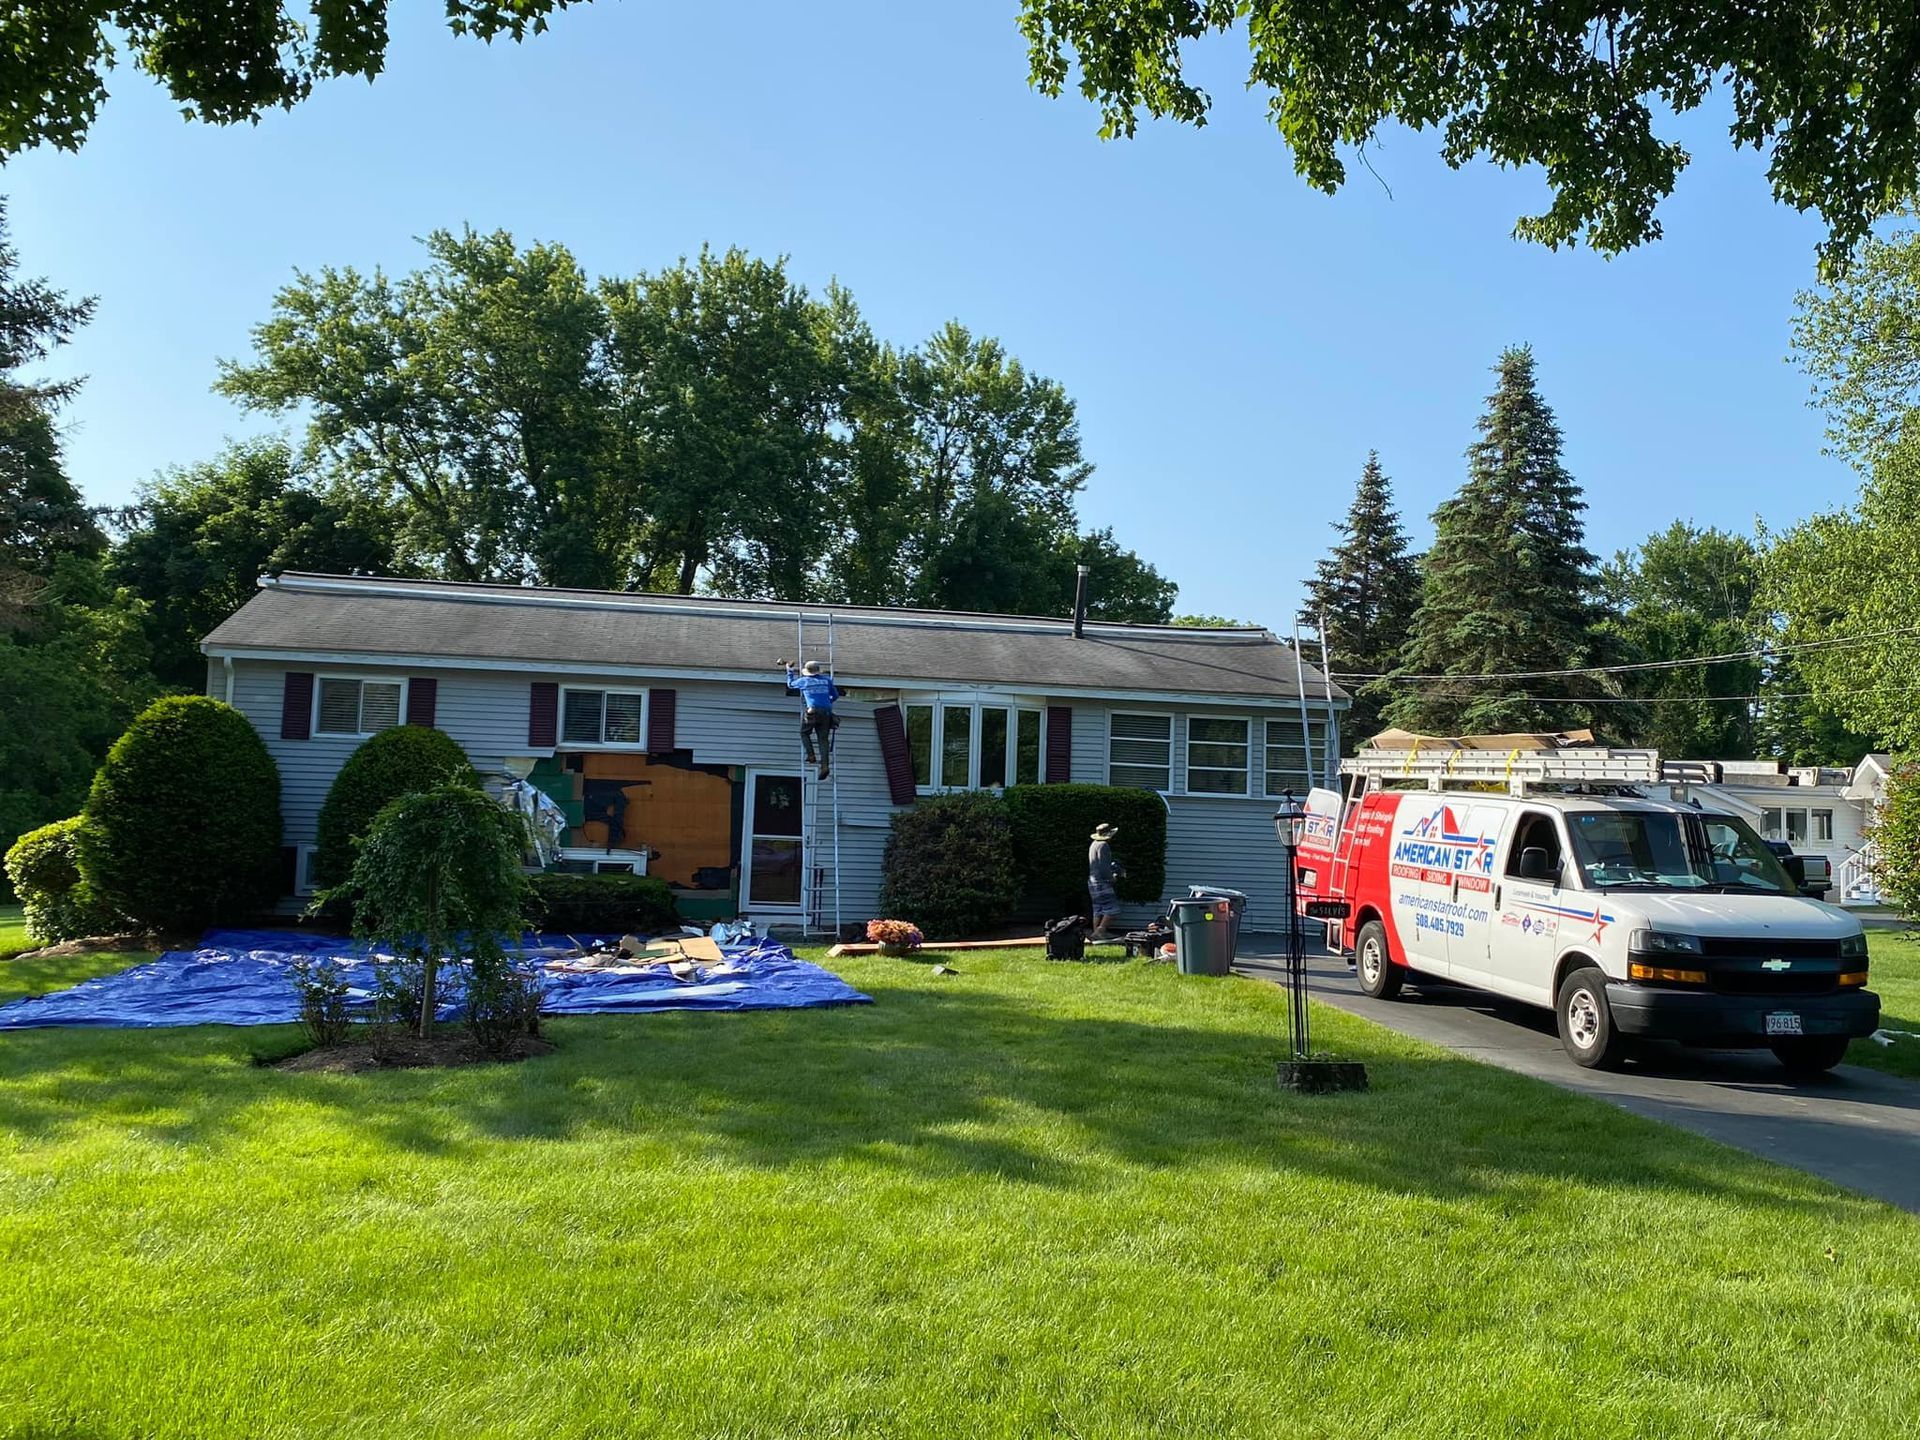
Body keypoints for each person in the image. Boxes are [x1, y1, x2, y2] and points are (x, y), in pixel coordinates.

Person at [780, 658, 843, 778]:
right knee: (823, 740)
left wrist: (789, 670)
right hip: (826, 712)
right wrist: (826, 702)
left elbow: (790, 684)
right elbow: (835, 695)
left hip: (813, 711)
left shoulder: (804, 681)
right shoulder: (826, 680)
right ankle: (825, 766)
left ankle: (811, 755)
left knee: (804, 732)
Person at [1088, 822, 1125, 941]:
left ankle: (1095, 934)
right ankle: (1100, 931)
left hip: (1092, 880)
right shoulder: (1104, 845)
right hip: (1102, 881)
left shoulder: (1094, 844)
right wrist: (1111, 877)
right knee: (1112, 909)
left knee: (1098, 908)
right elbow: (1104, 866)